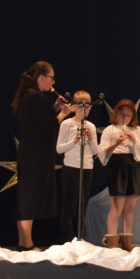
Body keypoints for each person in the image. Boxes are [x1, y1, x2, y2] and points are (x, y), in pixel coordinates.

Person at [11, 61, 73, 251]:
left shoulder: (30, 95)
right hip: (35, 154)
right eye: (51, 78)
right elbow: (47, 125)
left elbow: (40, 120)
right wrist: (63, 114)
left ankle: (24, 241)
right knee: (29, 196)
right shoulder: (35, 96)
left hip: (31, 152)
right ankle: (27, 243)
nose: (53, 82)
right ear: (41, 78)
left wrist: (55, 109)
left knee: (27, 195)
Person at [98, 99, 140, 250]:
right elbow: (102, 152)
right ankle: (112, 242)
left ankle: (127, 242)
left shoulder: (138, 131)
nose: (125, 118)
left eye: (128, 115)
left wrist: (133, 139)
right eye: (122, 115)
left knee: (130, 208)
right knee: (117, 207)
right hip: (118, 166)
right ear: (116, 114)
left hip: (134, 166)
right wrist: (116, 143)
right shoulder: (110, 130)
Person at [56, 90, 99, 243]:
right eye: (81, 106)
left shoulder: (91, 126)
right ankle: (67, 239)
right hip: (71, 168)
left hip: (87, 168)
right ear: (74, 106)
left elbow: (96, 151)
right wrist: (75, 140)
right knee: (69, 204)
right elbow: (59, 149)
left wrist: (91, 138)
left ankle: (80, 237)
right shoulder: (67, 124)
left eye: (87, 106)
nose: (84, 109)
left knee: (83, 205)